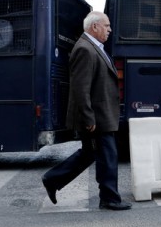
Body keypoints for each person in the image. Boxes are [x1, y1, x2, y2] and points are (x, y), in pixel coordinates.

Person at [41, 11, 131, 210]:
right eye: (107, 26)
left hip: (100, 114)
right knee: (108, 155)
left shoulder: (94, 47)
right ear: (95, 27)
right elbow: (80, 88)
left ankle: (52, 179)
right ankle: (109, 198)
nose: (110, 29)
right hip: (96, 117)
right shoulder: (84, 49)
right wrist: (89, 118)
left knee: (90, 153)